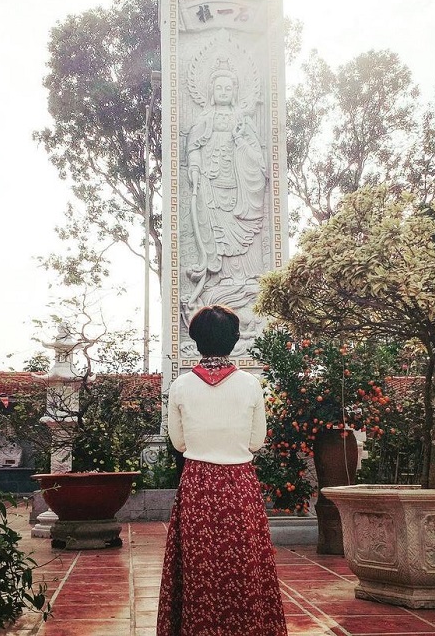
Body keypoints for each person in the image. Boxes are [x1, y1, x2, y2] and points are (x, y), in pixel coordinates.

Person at [157, 305, 287, 636]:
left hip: (197, 483)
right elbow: (256, 442)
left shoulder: (181, 386)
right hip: (239, 482)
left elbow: (178, 443)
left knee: (200, 566)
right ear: (234, 339)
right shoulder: (250, 384)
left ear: (196, 339)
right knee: (243, 563)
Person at [185, 67, 267, 316]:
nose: (223, 92)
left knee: (241, 229)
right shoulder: (205, 118)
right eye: (219, 88)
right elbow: (193, 147)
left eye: (228, 88)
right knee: (217, 232)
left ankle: (246, 277)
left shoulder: (243, 120)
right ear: (211, 91)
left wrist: (240, 141)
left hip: (238, 184)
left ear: (235, 92)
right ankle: (221, 278)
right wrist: (195, 168)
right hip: (211, 183)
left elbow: (256, 154)